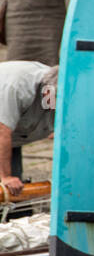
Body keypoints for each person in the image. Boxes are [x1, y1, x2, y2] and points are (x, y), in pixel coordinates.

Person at [0, 60, 56, 199]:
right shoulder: (17, 86)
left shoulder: (61, 85)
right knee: (7, 184)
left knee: (15, 192)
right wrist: (6, 177)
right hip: (3, 133)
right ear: (47, 91)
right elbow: (2, 131)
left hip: (14, 138)